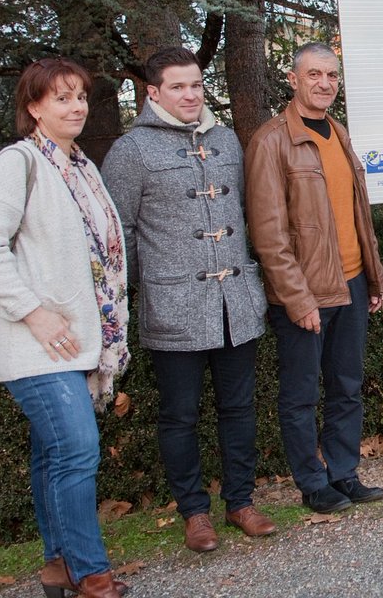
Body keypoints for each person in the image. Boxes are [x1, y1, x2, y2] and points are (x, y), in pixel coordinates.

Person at [0, 58, 129, 598]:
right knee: (78, 448)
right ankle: (90, 573)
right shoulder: (17, 163)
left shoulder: (81, 166)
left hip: (75, 340)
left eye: (80, 95)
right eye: (61, 98)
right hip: (34, 341)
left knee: (53, 453)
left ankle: (58, 565)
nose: (77, 106)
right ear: (33, 107)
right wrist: (32, 310)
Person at [101, 47, 274, 553]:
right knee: (180, 415)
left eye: (195, 84)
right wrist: (148, 288)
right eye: (177, 87)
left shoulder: (224, 140)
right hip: (175, 308)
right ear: (153, 92)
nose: (190, 94)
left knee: (239, 407)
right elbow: (120, 234)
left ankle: (240, 501)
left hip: (236, 304)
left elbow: (242, 212)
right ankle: (195, 512)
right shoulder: (130, 151)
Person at [244, 42, 383, 513]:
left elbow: (355, 216)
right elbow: (269, 235)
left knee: (346, 385)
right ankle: (312, 481)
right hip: (305, 292)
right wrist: (296, 298)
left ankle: (344, 473)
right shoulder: (270, 142)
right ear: (293, 79)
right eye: (314, 75)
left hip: (349, 281)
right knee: (301, 393)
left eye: (331, 75)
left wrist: (372, 277)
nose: (324, 83)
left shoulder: (338, 133)